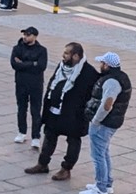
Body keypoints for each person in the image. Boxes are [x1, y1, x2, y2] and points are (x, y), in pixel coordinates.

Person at [25, 42, 99, 183]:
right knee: (49, 136)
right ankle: (42, 164)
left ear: (76, 56)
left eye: (66, 53)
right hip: (55, 111)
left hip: (74, 116)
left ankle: (66, 169)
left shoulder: (89, 73)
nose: (63, 56)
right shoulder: (62, 67)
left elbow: (93, 96)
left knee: (73, 140)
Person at [80, 52, 132, 194]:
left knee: (98, 155)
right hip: (112, 122)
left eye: (102, 63)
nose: (100, 65)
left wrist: (96, 120)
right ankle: (107, 184)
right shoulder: (121, 77)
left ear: (107, 65)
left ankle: (100, 188)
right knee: (104, 152)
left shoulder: (111, 82)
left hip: (104, 123)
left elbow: (107, 105)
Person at [10, 26, 47, 149]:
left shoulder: (42, 50)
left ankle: (36, 136)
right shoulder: (17, 48)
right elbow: (14, 64)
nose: (25, 37)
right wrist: (32, 64)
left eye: (28, 35)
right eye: (24, 34)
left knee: (35, 111)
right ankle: (22, 132)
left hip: (36, 85)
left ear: (35, 36)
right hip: (21, 83)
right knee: (21, 108)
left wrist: (23, 63)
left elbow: (41, 66)